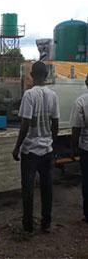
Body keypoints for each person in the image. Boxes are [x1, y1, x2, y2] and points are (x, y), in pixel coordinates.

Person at [12, 61, 60, 234]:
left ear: (32, 75)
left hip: (30, 151)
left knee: (28, 189)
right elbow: (55, 123)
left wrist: (17, 147)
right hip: (47, 150)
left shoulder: (29, 95)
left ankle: (28, 226)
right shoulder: (53, 95)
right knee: (47, 189)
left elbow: (25, 123)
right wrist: (51, 143)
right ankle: (46, 223)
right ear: (46, 76)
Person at [70, 74, 88, 222]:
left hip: (86, 148)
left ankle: (87, 214)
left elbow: (76, 127)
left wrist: (73, 147)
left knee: (86, 181)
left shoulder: (81, 101)